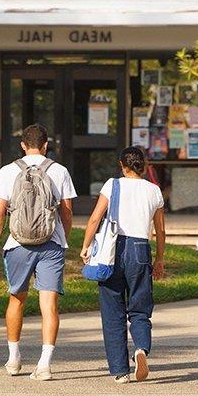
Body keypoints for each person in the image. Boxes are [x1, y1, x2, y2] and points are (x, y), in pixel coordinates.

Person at [0, 124, 76, 380]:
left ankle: (14, 358)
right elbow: (66, 212)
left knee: (17, 299)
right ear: (46, 145)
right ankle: (45, 364)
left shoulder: (7, 171)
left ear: (23, 145)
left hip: (17, 244)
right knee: (49, 304)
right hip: (51, 244)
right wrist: (62, 239)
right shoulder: (59, 171)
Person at [79, 146, 167, 382]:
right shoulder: (154, 191)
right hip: (140, 249)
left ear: (122, 165)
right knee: (140, 307)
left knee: (113, 312)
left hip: (112, 248)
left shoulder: (112, 184)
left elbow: (96, 217)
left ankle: (119, 372)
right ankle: (140, 348)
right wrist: (159, 259)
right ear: (144, 165)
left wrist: (86, 245)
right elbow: (160, 230)